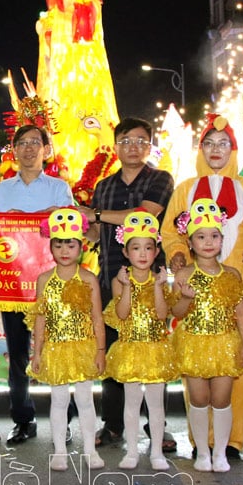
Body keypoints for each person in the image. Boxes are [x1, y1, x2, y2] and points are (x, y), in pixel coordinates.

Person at [160, 114, 243, 458]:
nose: (216, 150)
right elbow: (170, 232)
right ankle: (198, 441)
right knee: (196, 366)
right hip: (196, 284)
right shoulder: (185, 189)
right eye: (209, 143)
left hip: (238, 283)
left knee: (238, 362)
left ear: (234, 149)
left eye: (223, 144)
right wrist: (177, 253)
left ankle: (232, 440)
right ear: (201, 148)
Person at [79, 116, 175, 451]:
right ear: (116, 145)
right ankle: (114, 425)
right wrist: (72, 223)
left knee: (149, 353)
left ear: (149, 146)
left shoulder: (160, 178)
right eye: (126, 141)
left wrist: (95, 215)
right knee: (113, 353)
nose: (132, 147)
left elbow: (143, 216)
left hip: (149, 285)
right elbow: (95, 231)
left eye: (139, 141)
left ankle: (157, 427)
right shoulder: (104, 185)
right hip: (109, 279)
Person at [0, 123, 74, 446]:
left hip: (51, 284)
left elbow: (64, 223)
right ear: (14, 150)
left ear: (46, 150)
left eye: (35, 143)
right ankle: (22, 419)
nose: (28, 149)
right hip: (13, 284)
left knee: (57, 353)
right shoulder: (0, 191)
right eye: (22, 143)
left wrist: (28, 217)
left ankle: (61, 421)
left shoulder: (58, 188)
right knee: (17, 355)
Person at [169, 199, 243, 473]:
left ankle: (221, 452)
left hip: (225, 343)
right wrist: (186, 298)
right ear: (190, 242)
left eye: (214, 236)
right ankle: (202, 451)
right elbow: (176, 311)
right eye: (201, 237)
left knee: (221, 399)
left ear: (221, 240)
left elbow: (240, 312)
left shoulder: (232, 273)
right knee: (199, 399)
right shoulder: (184, 273)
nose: (208, 242)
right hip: (193, 343)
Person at [26, 207, 105, 471]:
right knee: (59, 400)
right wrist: (37, 352)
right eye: (58, 244)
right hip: (56, 349)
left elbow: (97, 318)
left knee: (85, 399)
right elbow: (40, 318)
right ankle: (59, 450)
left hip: (84, 347)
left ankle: (90, 450)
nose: (64, 250)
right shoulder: (44, 280)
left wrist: (101, 350)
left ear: (80, 246)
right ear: (51, 247)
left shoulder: (89, 279)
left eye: (70, 244)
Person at [102, 210, 176, 471]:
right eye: (136, 248)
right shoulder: (119, 280)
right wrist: (127, 287)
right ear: (126, 252)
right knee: (131, 402)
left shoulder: (160, 281)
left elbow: (162, 315)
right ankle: (131, 450)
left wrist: (158, 287)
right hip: (130, 347)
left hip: (155, 348)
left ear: (156, 252)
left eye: (148, 248)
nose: (142, 254)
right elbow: (121, 315)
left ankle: (156, 451)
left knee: (156, 404)